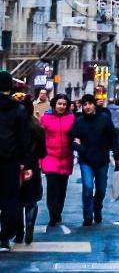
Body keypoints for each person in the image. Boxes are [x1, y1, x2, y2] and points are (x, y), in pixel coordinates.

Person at [68, 94, 119, 226]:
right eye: (85, 104)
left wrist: (117, 155)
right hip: (86, 159)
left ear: (94, 104)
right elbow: (71, 139)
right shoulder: (79, 121)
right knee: (87, 187)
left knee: (101, 189)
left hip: (102, 159)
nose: (87, 107)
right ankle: (87, 215)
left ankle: (97, 208)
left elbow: (113, 137)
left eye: (89, 104)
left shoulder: (104, 119)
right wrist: (80, 148)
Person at [0, 71, 29, 251]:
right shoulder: (18, 109)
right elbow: (23, 138)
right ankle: (5, 236)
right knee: (10, 199)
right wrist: (25, 163)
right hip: (10, 160)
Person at [40, 94, 74, 228]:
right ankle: (52, 213)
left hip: (66, 157)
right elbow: (40, 137)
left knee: (62, 188)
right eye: (59, 104)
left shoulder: (71, 118)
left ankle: (58, 211)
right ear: (54, 104)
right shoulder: (45, 119)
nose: (61, 106)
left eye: (64, 104)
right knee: (52, 186)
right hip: (50, 156)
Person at [15, 95, 45, 245]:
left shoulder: (11, 125)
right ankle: (30, 226)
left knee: (17, 201)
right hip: (32, 166)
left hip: (15, 165)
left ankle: (19, 233)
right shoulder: (36, 126)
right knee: (31, 201)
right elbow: (42, 152)